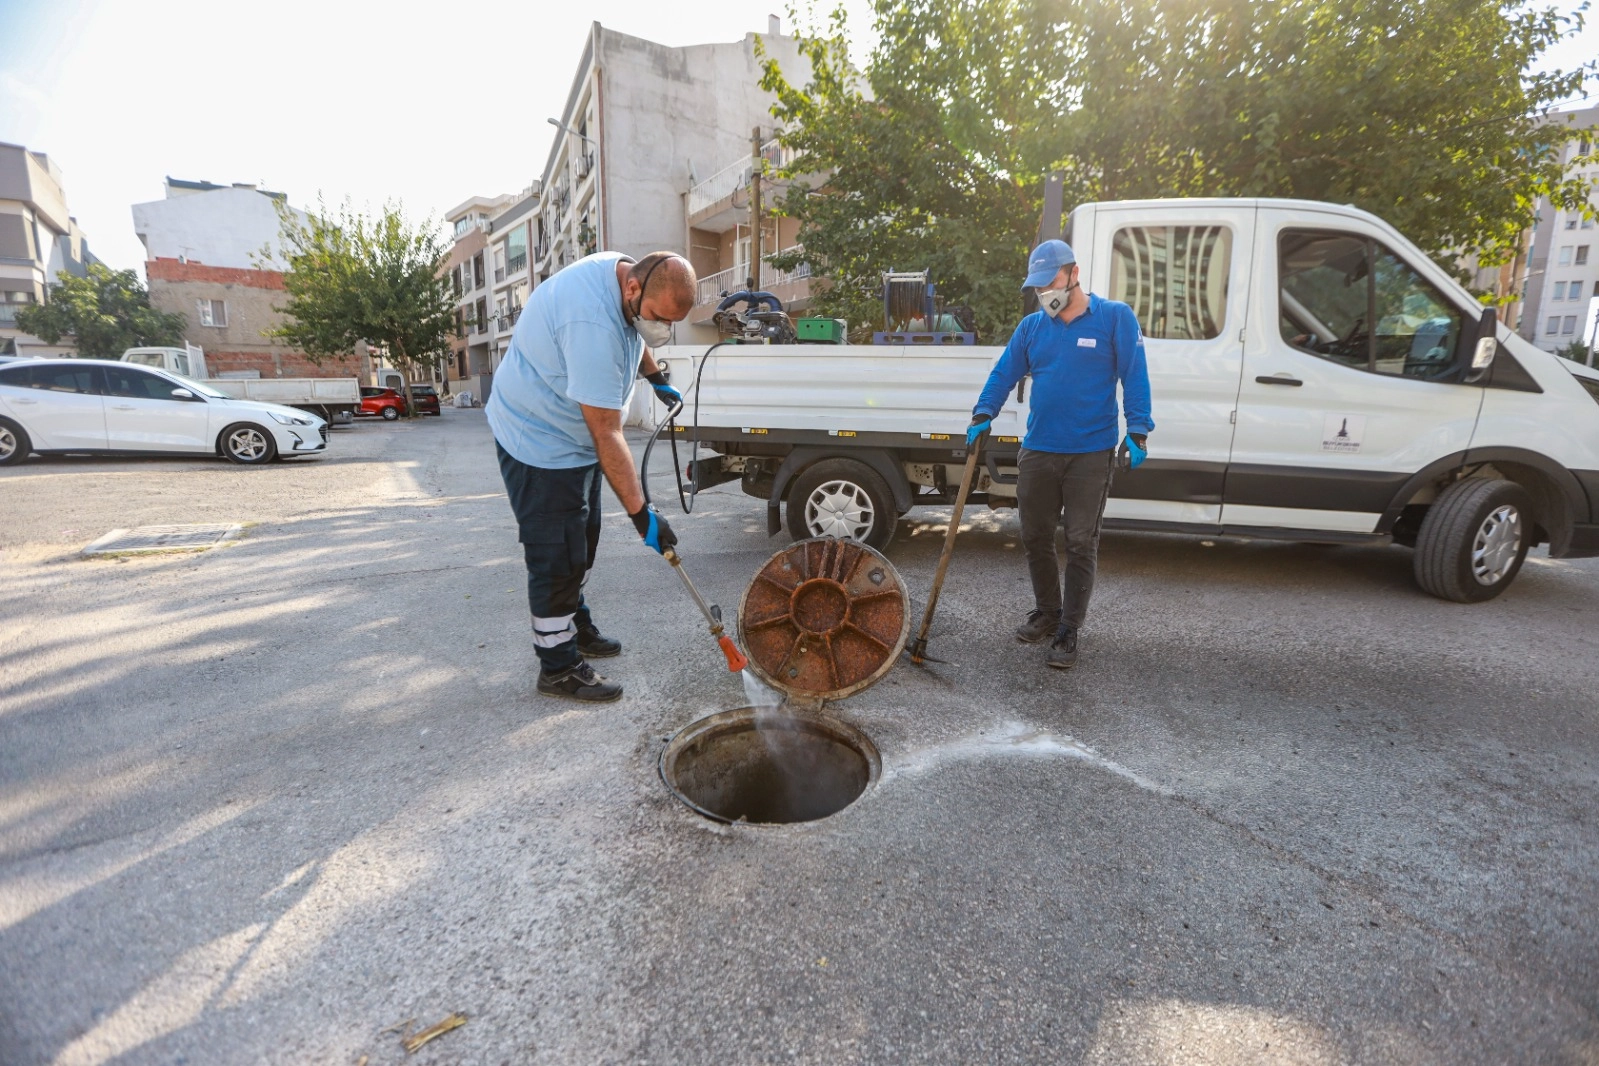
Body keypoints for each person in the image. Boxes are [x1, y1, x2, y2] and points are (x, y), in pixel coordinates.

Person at [486, 250, 696, 702]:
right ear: (633, 289)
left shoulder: (624, 275)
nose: (662, 329)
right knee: (556, 555)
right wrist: (644, 516)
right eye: (659, 317)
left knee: (583, 541)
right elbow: (607, 432)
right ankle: (557, 666)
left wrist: (655, 377)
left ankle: (573, 625)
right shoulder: (590, 326)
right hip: (538, 440)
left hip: (574, 440)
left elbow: (636, 336)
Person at [967, 239, 1153, 670]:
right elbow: (1003, 373)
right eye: (1037, 287)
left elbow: (1134, 376)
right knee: (1034, 535)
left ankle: (1069, 628)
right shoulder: (1032, 328)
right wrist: (983, 412)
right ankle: (1048, 612)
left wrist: (1138, 431)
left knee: (1080, 542)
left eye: (1049, 282)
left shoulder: (1113, 318)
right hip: (1038, 449)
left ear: (1073, 273)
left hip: (1090, 452)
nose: (1043, 293)